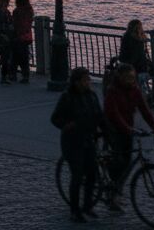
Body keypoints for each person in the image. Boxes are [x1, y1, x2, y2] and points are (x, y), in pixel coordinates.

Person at [52, 67, 105, 222]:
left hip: (88, 140)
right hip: (72, 142)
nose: (89, 82)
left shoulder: (92, 96)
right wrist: (67, 125)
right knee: (77, 175)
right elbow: (55, 118)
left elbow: (99, 117)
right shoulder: (67, 97)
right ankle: (75, 210)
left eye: (88, 79)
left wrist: (107, 132)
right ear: (76, 82)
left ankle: (88, 206)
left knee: (92, 174)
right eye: (85, 79)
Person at [104, 61, 154, 210]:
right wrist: (128, 129)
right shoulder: (112, 91)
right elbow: (113, 114)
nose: (131, 80)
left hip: (127, 127)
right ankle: (112, 189)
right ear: (120, 77)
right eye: (127, 77)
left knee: (127, 162)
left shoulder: (135, 90)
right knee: (119, 161)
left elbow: (144, 110)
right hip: (113, 129)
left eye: (132, 77)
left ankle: (116, 191)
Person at [120, 19, 152, 95]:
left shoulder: (127, 37)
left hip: (130, 66)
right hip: (138, 68)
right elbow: (137, 56)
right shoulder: (138, 40)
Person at [12, 0, 35, 84]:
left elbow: (15, 24)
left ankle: (13, 75)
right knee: (24, 57)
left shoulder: (17, 11)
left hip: (18, 37)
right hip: (28, 36)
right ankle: (25, 75)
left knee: (16, 56)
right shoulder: (30, 10)